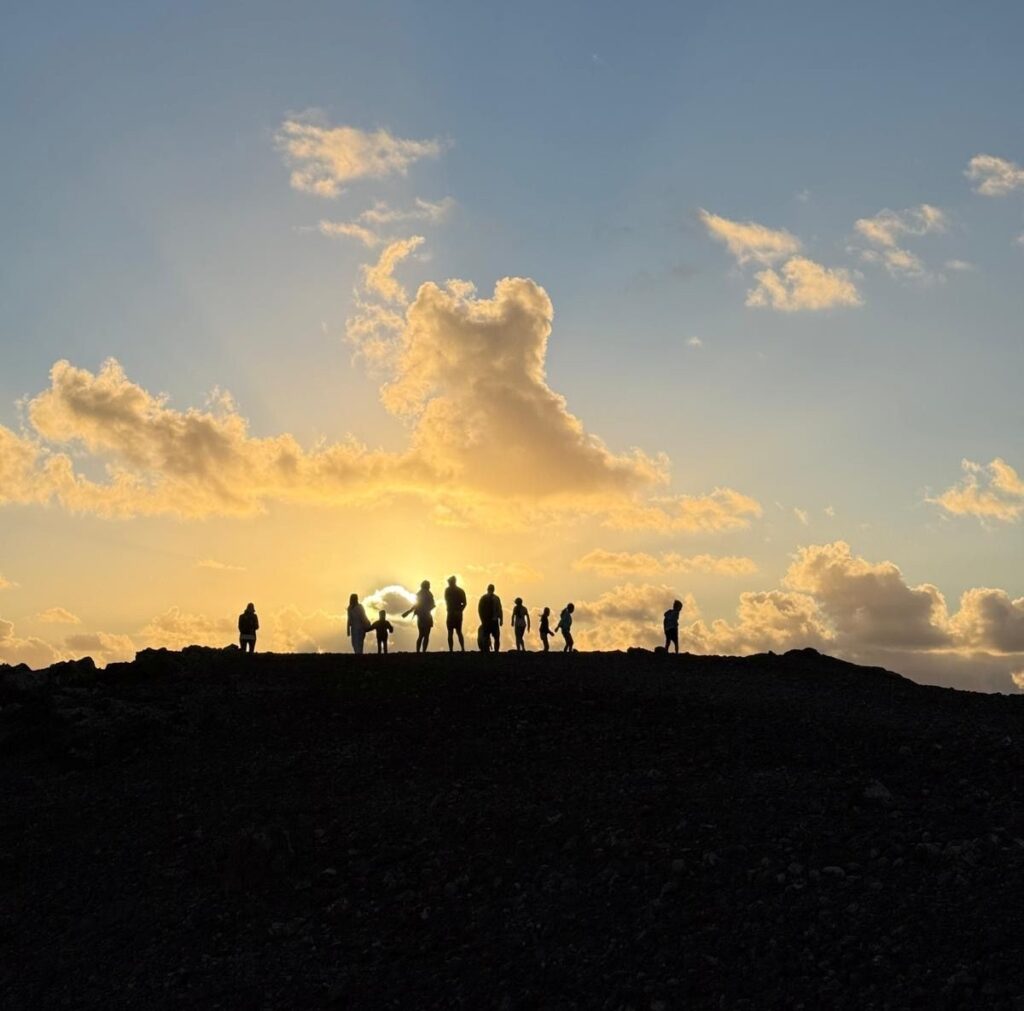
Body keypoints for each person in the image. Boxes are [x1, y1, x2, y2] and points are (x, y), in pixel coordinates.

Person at [403, 580, 436, 653]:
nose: (430, 587)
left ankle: (418, 651)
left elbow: (416, 605)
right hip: (427, 616)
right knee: (426, 635)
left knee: (421, 635)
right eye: (429, 585)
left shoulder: (419, 593)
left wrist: (409, 612)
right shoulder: (429, 594)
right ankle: (423, 651)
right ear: (427, 586)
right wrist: (427, 609)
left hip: (420, 616)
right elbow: (433, 605)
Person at [444, 575, 467, 652]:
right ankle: (461, 648)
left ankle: (453, 649)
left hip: (452, 613)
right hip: (455, 613)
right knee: (457, 632)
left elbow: (447, 601)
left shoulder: (447, 590)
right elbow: (464, 603)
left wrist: (459, 610)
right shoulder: (460, 591)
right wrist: (460, 610)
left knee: (452, 632)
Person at [477, 584, 503, 652]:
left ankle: (488, 651)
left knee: (487, 637)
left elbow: (480, 609)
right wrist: (501, 619)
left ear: (487, 589)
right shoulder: (496, 598)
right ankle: (495, 651)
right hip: (492, 621)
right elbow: (499, 609)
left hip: (488, 621)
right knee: (495, 637)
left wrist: (482, 619)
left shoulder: (484, 598)